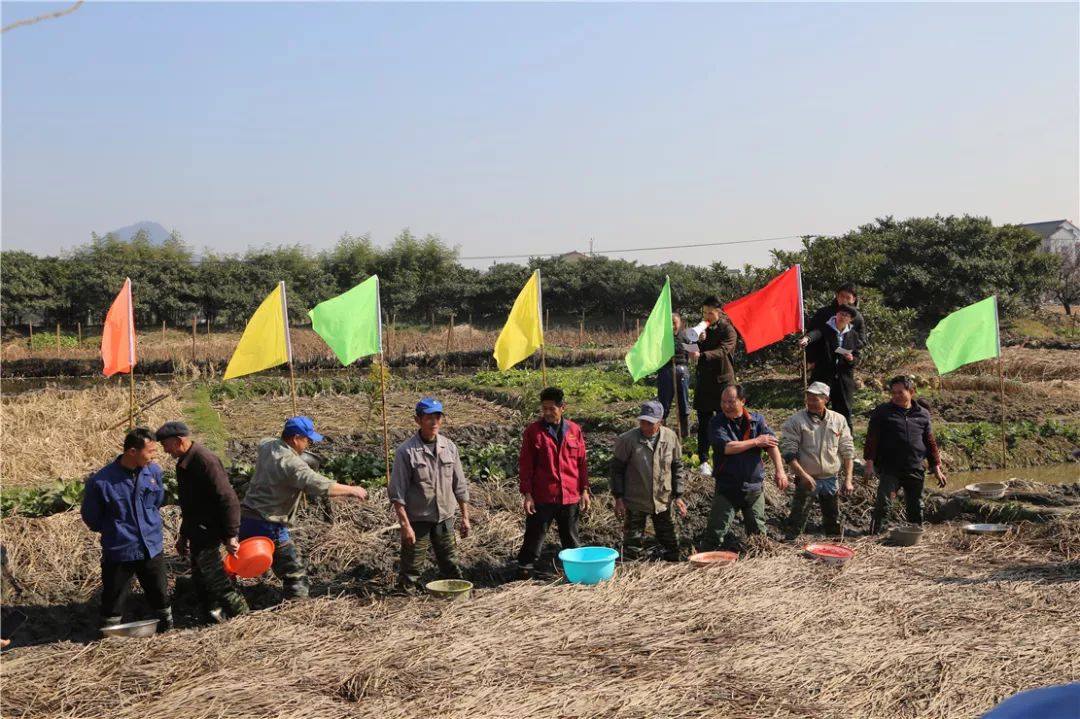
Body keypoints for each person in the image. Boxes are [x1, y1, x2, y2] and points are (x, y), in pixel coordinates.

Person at [239, 416, 368, 600]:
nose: (308, 444)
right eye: (307, 440)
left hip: (248, 517)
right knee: (294, 571)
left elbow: (266, 441)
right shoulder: (292, 464)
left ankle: (221, 590)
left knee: (238, 561)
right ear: (295, 438)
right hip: (269, 524)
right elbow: (317, 484)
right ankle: (297, 606)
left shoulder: (267, 446)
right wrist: (352, 490)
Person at [81, 427, 172, 633]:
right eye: (150, 451)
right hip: (120, 548)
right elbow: (91, 517)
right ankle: (110, 635)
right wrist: (115, 529)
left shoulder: (154, 472)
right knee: (114, 596)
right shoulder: (102, 482)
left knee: (159, 592)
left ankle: (166, 628)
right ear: (132, 451)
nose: (154, 456)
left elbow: (156, 502)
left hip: (151, 546)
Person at [156, 421, 248, 622]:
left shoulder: (205, 461)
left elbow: (228, 498)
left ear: (179, 441)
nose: (164, 450)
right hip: (197, 530)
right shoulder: (184, 462)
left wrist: (232, 535)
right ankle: (212, 616)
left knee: (216, 580)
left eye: (165, 445)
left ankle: (244, 618)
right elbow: (190, 506)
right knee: (201, 579)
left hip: (209, 531)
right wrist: (183, 536)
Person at [388, 398, 471, 590]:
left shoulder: (449, 447)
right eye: (428, 418)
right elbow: (397, 493)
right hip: (418, 520)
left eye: (437, 417)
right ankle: (405, 599)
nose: (434, 423)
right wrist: (405, 525)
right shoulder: (406, 452)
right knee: (412, 568)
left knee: (450, 563)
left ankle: (453, 599)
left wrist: (465, 517)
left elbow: (459, 484)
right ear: (418, 420)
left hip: (444, 517)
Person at [699, 385, 789, 550]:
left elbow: (771, 445)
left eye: (731, 402)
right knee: (716, 530)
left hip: (754, 487)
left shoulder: (757, 421)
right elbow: (727, 447)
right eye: (723, 402)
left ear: (743, 401)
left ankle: (760, 563)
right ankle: (706, 558)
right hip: (728, 487)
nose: (726, 406)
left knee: (758, 534)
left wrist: (780, 470)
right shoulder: (716, 422)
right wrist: (756, 441)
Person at [516, 387, 590, 576]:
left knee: (571, 537)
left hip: (570, 495)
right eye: (544, 408)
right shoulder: (533, 432)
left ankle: (576, 571)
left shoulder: (574, 430)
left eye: (552, 409)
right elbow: (526, 465)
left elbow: (581, 463)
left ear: (562, 408)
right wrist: (527, 494)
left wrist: (584, 490)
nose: (547, 413)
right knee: (535, 535)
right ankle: (525, 570)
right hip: (543, 495)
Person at [864, 376, 947, 534]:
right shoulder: (882, 412)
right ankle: (875, 534)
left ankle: (915, 533)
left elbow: (930, 442)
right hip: (890, 467)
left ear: (911, 391)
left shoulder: (922, 414)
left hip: (914, 466)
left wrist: (936, 467)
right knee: (884, 502)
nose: (896, 396)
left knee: (916, 504)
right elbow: (872, 439)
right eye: (893, 392)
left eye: (900, 392)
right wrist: (869, 463)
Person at [611, 401, 687, 561]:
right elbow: (617, 470)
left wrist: (678, 495)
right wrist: (618, 498)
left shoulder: (670, 437)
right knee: (633, 545)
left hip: (662, 500)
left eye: (650, 423)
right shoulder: (627, 440)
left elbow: (677, 467)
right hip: (635, 500)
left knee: (671, 543)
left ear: (660, 422)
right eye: (642, 422)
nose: (645, 426)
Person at [780, 382, 855, 539]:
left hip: (830, 478)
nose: (811, 403)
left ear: (826, 399)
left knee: (833, 518)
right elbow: (788, 452)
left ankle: (834, 546)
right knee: (797, 518)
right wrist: (803, 475)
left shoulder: (838, 420)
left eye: (816, 399)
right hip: (807, 477)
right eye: (809, 399)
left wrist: (848, 480)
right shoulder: (796, 421)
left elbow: (848, 450)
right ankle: (790, 545)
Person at [693, 296, 738, 476]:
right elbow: (692, 346)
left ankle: (725, 457)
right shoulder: (702, 328)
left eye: (710, 312)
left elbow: (724, 350)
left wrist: (703, 355)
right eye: (704, 312)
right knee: (703, 422)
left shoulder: (728, 330)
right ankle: (704, 460)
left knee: (724, 421)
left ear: (719, 312)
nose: (707, 316)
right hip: (704, 381)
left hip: (722, 382)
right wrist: (699, 340)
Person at [799, 303, 860, 432]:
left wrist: (851, 359)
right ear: (836, 314)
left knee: (844, 411)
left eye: (846, 315)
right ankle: (811, 437)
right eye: (840, 313)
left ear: (851, 319)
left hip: (844, 378)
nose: (842, 317)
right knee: (817, 408)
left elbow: (857, 356)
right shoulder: (825, 328)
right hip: (823, 375)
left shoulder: (853, 335)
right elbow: (815, 334)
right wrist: (807, 339)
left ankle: (845, 440)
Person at [656, 313, 693, 439]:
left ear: (680, 323)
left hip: (682, 370)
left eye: (674, 323)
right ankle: (661, 433)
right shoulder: (661, 337)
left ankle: (684, 434)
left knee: (683, 401)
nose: (672, 326)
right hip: (665, 371)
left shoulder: (686, 336)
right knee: (664, 402)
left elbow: (693, 353)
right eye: (669, 323)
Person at [804, 282, 868, 351]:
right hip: (821, 356)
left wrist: (846, 345)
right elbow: (812, 333)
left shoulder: (857, 318)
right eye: (842, 296)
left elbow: (862, 341)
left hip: (845, 358)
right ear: (837, 296)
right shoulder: (823, 313)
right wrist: (811, 358)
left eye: (848, 298)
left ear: (854, 299)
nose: (844, 300)